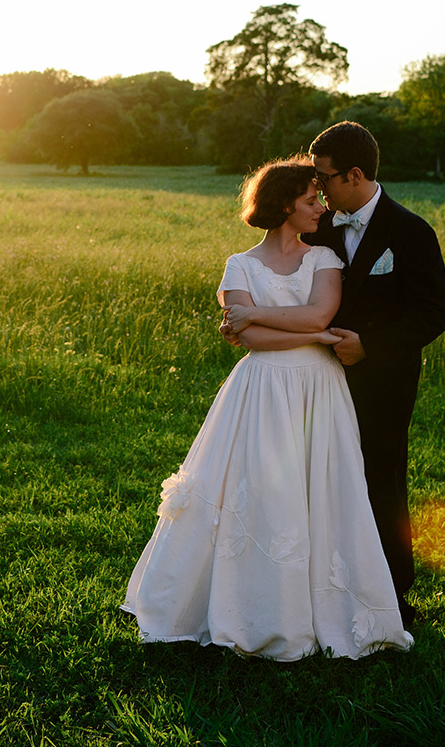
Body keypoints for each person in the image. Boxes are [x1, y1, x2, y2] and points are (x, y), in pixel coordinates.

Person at [122, 158, 413, 661]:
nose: (320, 207)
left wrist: (260, 312)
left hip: (318, 388)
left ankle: (319, 607)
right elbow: (249, 340)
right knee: (257, 488)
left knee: (320, 487)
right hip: (259, 387)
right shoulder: (239, 264)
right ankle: (250, 605)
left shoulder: (324, 259)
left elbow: (315, 312)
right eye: (309, 200)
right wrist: (308, 334)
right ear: (284, 206)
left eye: (319, 198)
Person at [301, 121, 445, 627]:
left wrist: (369, 345)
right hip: (320, 374)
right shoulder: (318, 225)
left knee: (380, 479)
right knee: (322, 473)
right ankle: (323, 583)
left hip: (384, 378)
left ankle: (392, 593)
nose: (317, 189)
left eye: (325, 179)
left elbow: (434, 310)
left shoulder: (410, 231)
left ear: (356, 174)